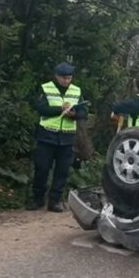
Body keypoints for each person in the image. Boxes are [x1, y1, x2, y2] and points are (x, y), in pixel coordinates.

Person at [28, 62, 89, 212]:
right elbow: (40, 108)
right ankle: (37, 199)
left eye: (69, 78)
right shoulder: (46, 88)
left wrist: (73, 114)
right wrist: (59, 110)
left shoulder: (76, 91)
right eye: (63, 78)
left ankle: (54, 201)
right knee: (42, 169)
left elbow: (84, 112)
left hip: (67, 137)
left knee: (62, 171)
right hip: (47, 135)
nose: (66, 81)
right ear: (56, 77)